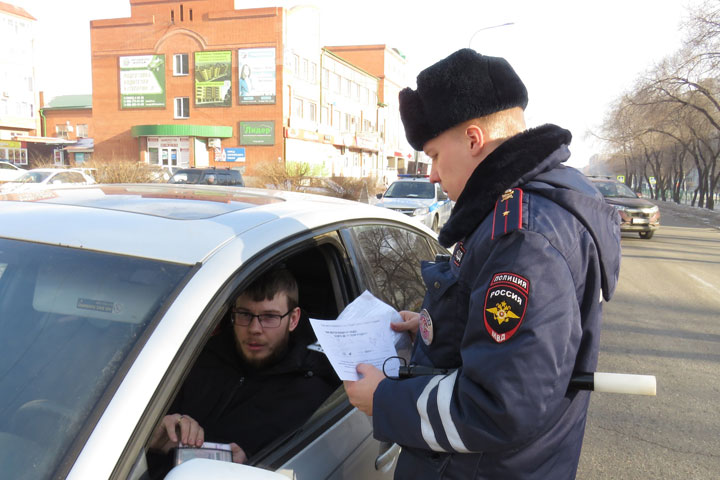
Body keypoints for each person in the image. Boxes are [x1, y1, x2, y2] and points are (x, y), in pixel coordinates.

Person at [344, 48, 622, 479]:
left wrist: (384, 401)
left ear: (474, 140)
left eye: (434, 154)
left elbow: (499, 405)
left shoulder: (524, 240)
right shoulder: (517, 214)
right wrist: (439, 323)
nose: (432, 174)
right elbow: (510, 346)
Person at [148, 268, 339, 470]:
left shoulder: (312, 389)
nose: (254, 329)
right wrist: (157, 436)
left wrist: (250, 461)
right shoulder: (197, 359)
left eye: (269, 317)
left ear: (293, 319)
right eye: (245, 314)